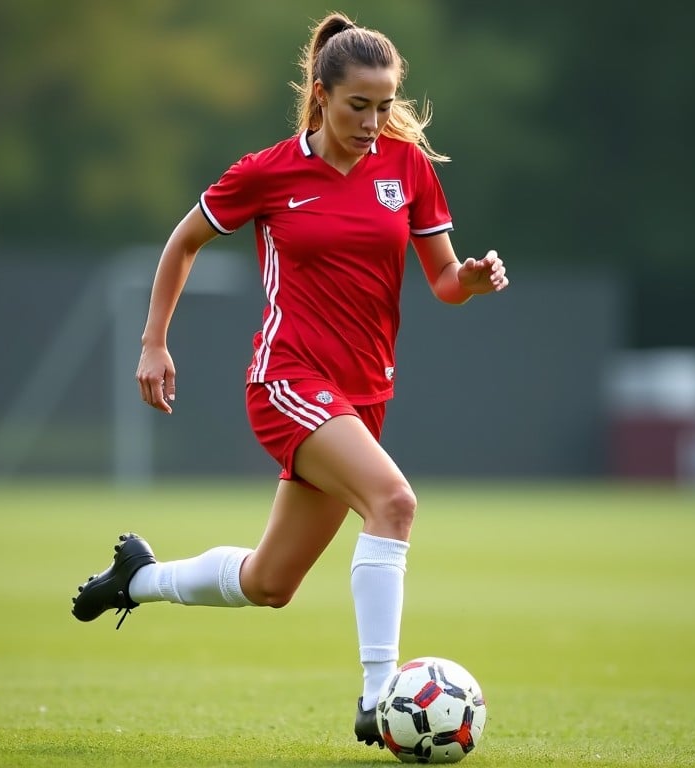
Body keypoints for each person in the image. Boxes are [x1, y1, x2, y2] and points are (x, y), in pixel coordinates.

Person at [70, 11, 509, 748]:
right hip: (287, 379)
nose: (373, 122)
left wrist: (469, 279)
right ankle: (380, 698)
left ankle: (137, 579)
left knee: (270, 583)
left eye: (383, 105)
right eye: (357, 106)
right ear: (321, 94)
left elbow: (440, 281)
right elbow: (184, 243)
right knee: (394, 504)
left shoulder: (407, 170)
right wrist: (154, 343)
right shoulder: (269, 172)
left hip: (363, 395)